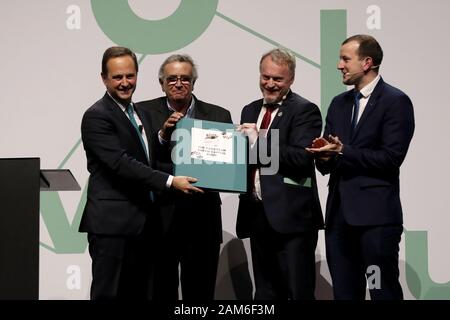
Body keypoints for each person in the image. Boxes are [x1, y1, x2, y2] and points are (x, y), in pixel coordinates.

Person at [79, 46, 203, 300]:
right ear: (104, 78)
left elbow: (148, 157)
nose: (125, 83)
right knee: (110, 294)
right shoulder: (96, 116)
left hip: (145, 224)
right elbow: (121, 163)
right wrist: (170, 181)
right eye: (117, 77)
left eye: (130, 75)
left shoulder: (142, 113)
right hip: (113, 226)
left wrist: (162, 136)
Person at [306, 34, 415, 300]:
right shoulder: (338, 103)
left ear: (367, 63)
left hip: (375, 221)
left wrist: (343, 150)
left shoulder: (395, 101)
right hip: (339, 219)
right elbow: (329, 163)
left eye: (345, 59)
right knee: (344, 293)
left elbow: (391, 158)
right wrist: (323, 156)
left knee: (381, 291)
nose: (339, 65)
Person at [136, 54, 232, 300]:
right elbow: (138, 160)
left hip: (203, 216)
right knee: (159, 290)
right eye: (172, 79)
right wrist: (163, 135)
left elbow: (228, 165)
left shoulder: (219, 115)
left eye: (185, 79)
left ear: (193, 82)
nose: (178, 84)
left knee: (200, 293)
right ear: (161, 83)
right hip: (159, 216)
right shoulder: (143, 112)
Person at [236, 48, 323, 300]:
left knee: (297, 292)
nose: (270, 84)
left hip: (292, 219)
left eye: (278, 79)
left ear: (291, 79)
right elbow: (247, 161)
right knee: (264, 293)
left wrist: (258, 141)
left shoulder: (305, 110)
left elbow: (301, 157)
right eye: (266, 77)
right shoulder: (249, 110)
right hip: (257, 215)